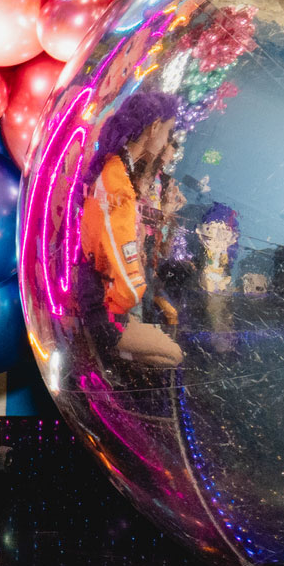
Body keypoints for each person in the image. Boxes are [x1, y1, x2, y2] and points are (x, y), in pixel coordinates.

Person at [78, 92, 184, 370]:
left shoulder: (117, 169)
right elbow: (120, 262)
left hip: (105, 301)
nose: (166, 143)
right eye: (168, 132)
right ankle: (111, 357)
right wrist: (130, 301)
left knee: (164, 352)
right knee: (174, 355)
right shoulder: (118, 182)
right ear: (154, 127)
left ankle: (114, 358)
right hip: (105, 309)